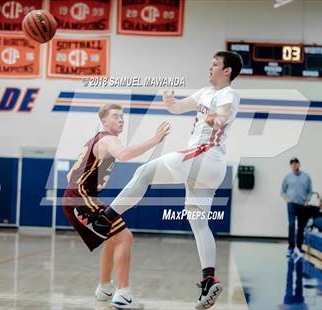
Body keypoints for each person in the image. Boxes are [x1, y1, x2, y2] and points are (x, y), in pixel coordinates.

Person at [79, 51, 243, 310]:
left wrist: (216, 119)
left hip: (203, 156)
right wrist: (170, 101)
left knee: (144, 172)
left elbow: (223, 116)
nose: (210, 67)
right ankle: (209, 279)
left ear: (227, 71)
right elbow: (178, 108)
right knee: (198, 223)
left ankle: (104, 219)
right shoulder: (203, 93)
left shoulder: (229, 95)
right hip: (209, 168)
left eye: (215, 64)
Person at [62, 103, 170, 309]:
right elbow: (125, 155)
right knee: (125, 236)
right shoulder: (109, 139)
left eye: (122, 116)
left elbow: (70, 175)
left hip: (78, 196)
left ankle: (104, 288)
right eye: (116, 116)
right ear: (104, 121)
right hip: (82, 197)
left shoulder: (94, 140)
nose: (121, 119)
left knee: (112, 239)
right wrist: (155, 140)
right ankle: (123, 293)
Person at [280, 158, 313, 258]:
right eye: (292, 164)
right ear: (290, 166)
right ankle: (290, 247)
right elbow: (282, 191)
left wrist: (307, 200)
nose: (294, 166)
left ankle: (299, 246)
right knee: (291, 224)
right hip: (291, 204)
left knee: (301, 226)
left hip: (302, 204)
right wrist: (286, 198)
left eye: (296, 164)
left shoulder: (306, 177)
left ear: (299, 164)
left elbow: (310, 191)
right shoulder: (287, 177)